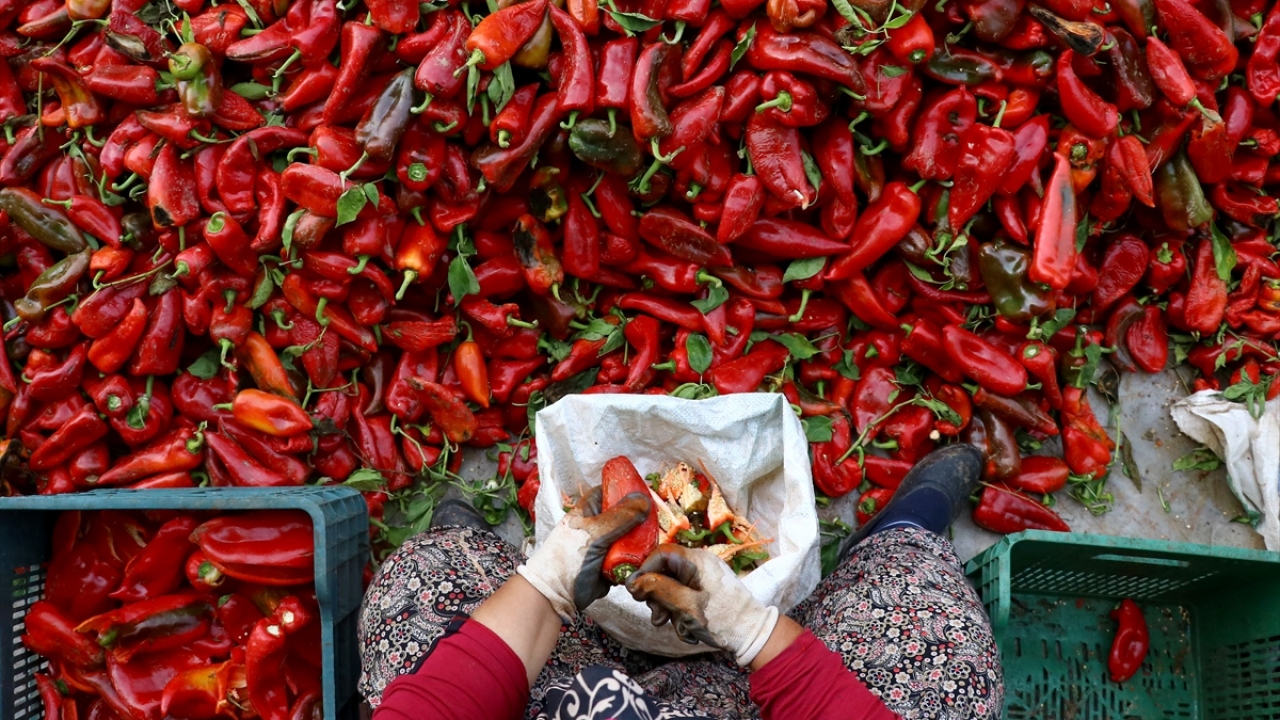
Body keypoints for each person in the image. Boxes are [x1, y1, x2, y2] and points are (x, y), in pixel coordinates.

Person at [359, 444, 1003, 719]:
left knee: (417, 597)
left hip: (555, 690)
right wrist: (756, 636)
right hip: (751, 707)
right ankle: (904, 531)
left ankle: (473, 550)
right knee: (942, 648)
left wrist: (548, 586)